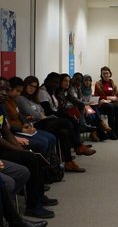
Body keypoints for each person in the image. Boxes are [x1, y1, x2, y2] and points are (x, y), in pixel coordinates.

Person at [0, 77, 56, 218]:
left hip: (9, 141)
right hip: (2, 149)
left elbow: (6, 132)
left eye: (6, 90)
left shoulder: (1, 105)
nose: (4, 93)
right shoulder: (6, 104)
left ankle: (38, 195)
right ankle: (33, 205)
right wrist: (18, 149)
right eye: (1, 90)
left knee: (32, 155)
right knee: (31, 157)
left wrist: (19, 147)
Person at [17, 75, 88, 172]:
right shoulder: (21, 99)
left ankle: (69, 162)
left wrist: (38, 115)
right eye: (30, 86)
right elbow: (33, 113)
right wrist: (39, 115)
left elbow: (41, 111)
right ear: (25, 86)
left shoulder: (33, 99)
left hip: (42, 121)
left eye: (34, 87)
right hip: (34, 125)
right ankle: (78, 146)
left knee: (64, 132)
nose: (32, 89)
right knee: (67, 122)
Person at [6, 77, 57, 158]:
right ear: (9, 89)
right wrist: (23, 129)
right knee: (43, 143)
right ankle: (41, 165)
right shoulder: (6, 102)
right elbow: (7, 124)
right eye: (17, 91)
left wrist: (26, 124)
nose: (19, 94)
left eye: (20, 92)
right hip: (16, 131)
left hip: (23, 127)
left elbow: (19, 115)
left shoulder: (14, 100)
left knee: (52, 137)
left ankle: (49, 164)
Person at [94, 66, 118, 140]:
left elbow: (117, 96)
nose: (106, 75)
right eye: (104, 74)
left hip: (111, 102)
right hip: (102, 104)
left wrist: (108, 98)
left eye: (107, 73)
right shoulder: (98, 84)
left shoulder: (112, 83)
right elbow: (97, 96)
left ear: (110, 74)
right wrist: (109, 98)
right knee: (111, 107)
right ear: (101, 75)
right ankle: (111, 132)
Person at [81, 74, 111, 141]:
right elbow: (80, 102)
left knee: (95, 107)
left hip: (89, 107)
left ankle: (95, 132)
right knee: (94, 116)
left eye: (89, 80)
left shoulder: (89, 90)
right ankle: (99, 128)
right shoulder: (80, 90)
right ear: (83, 81)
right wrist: (88, 103)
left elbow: (90, 99)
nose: (88, 82)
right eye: (86, 80)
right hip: (82, 108)